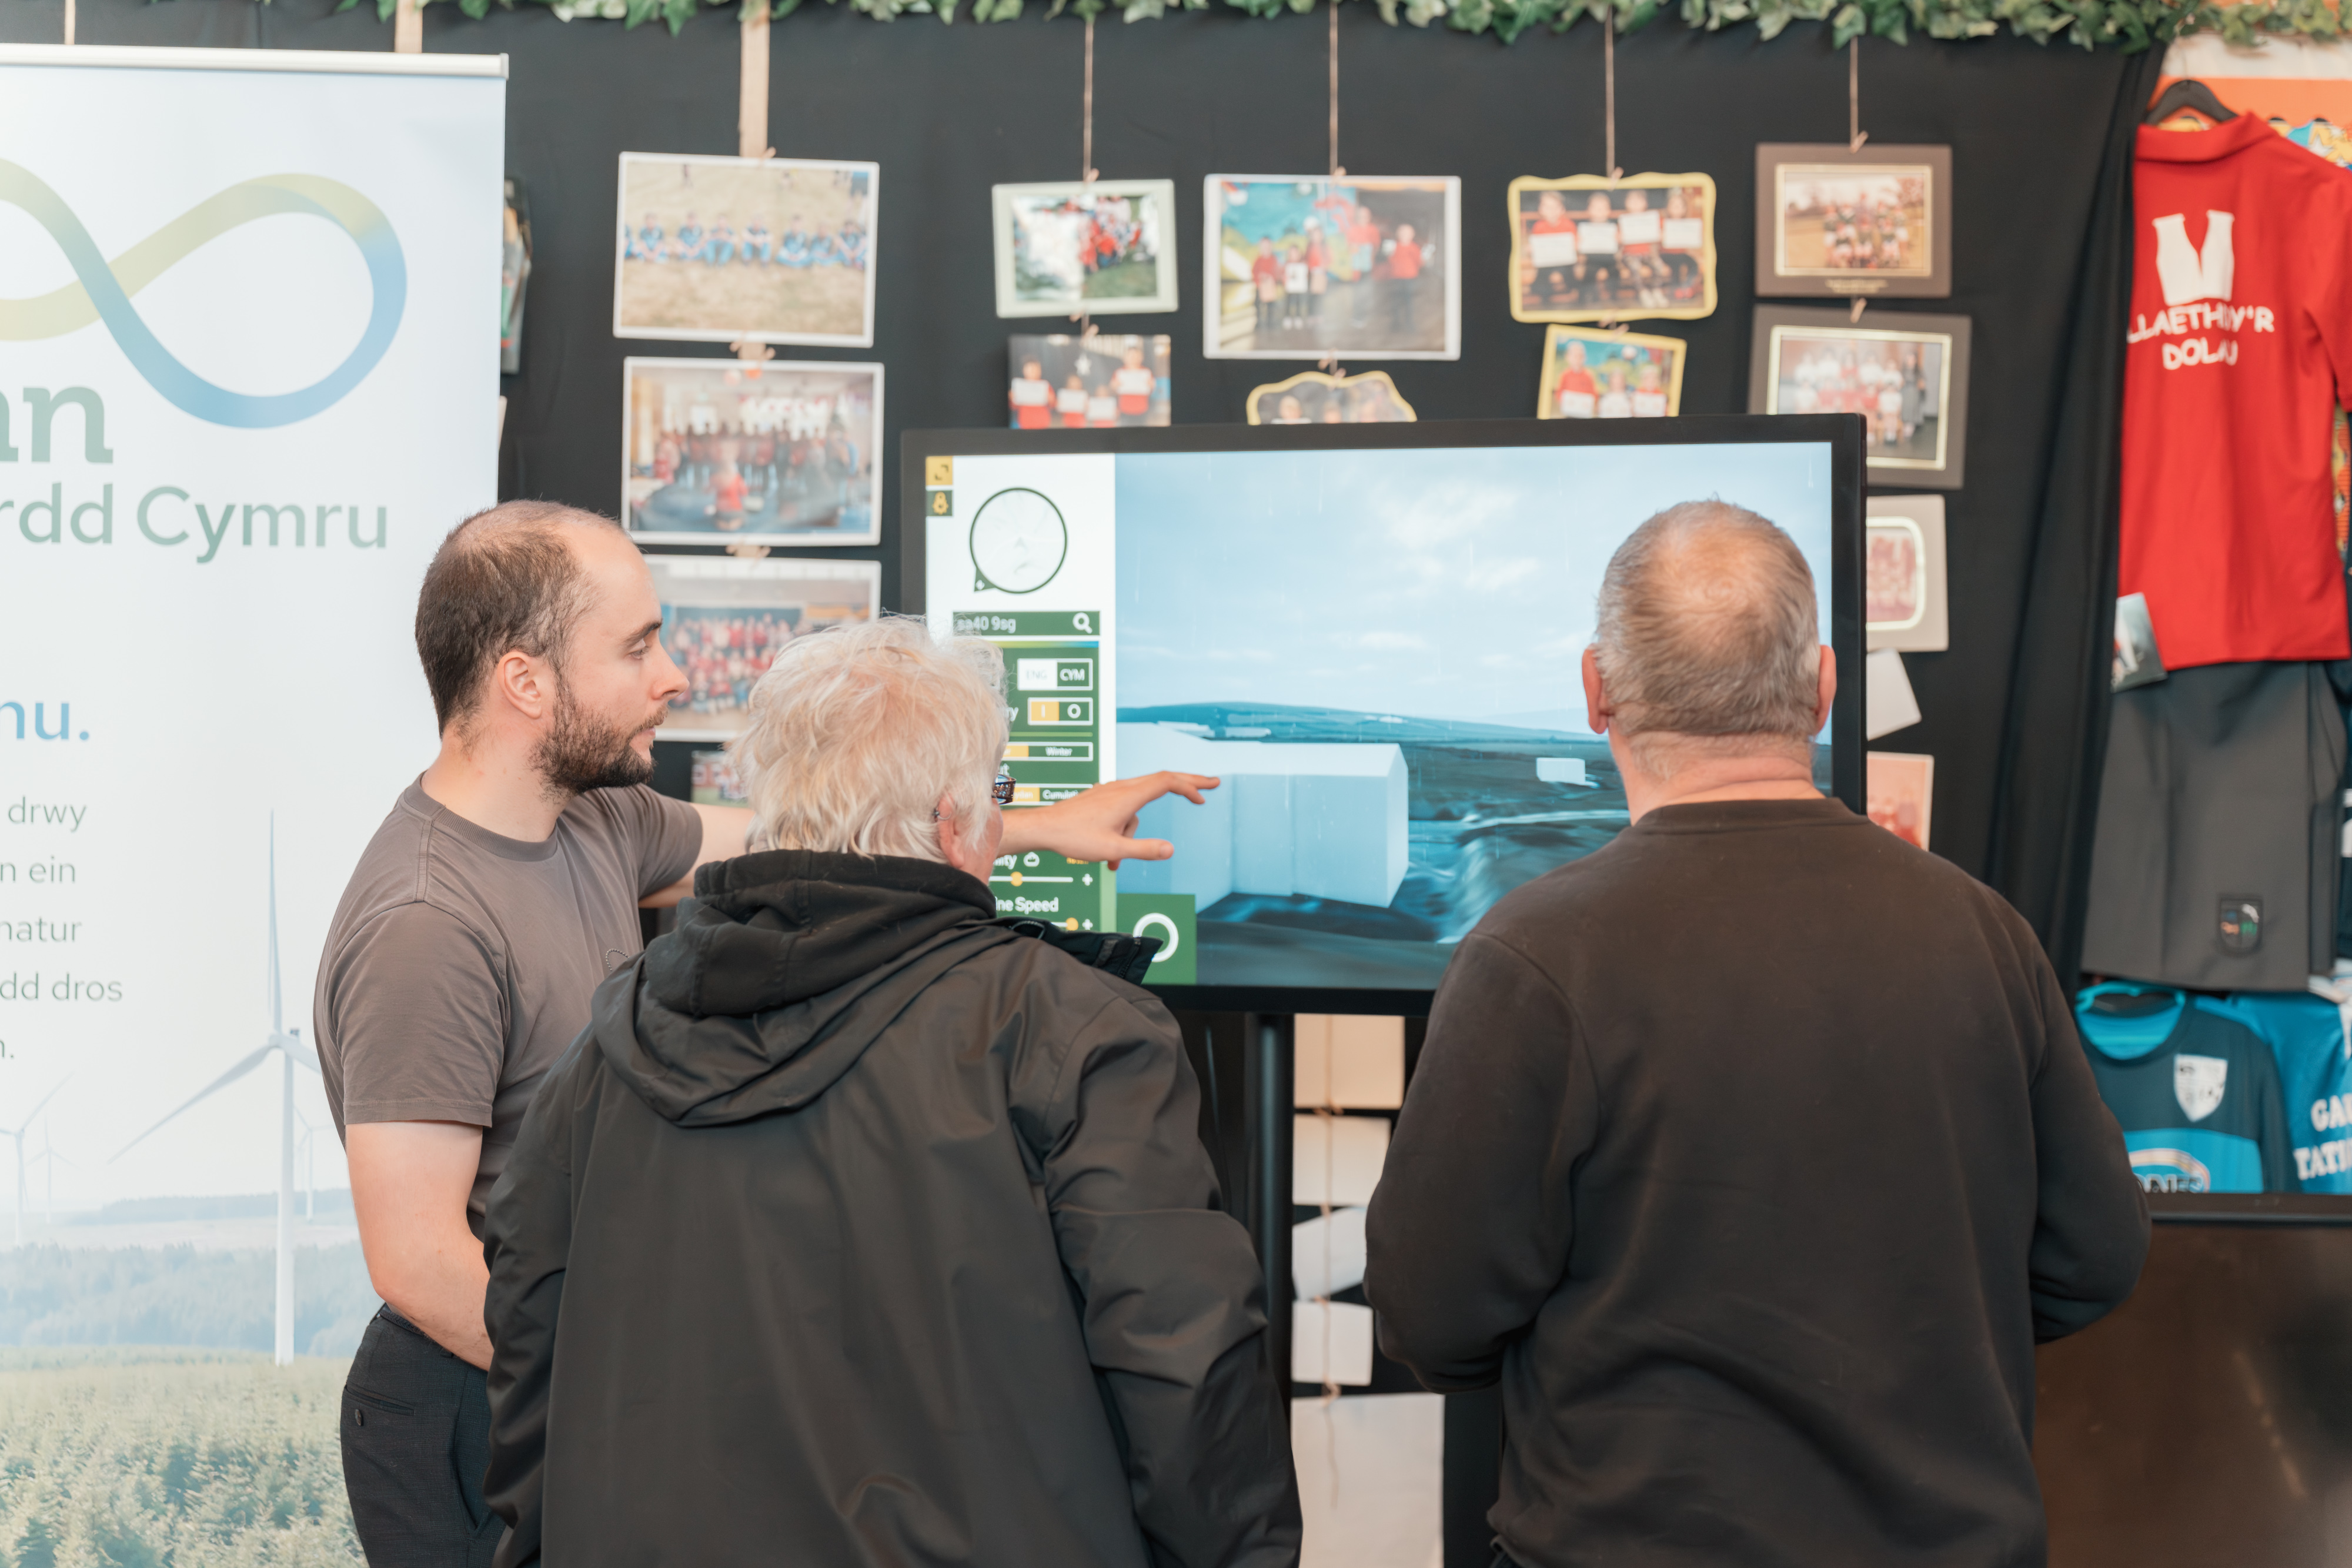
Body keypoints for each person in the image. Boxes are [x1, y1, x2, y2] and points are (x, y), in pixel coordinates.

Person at [318, 500, 1220, 1568]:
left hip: (571, 1365)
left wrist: (1014, 819)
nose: (673, 678)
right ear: (525, 681)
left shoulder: (594, 821)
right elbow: (419, 1262)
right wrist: (634, 1398)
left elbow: (802, 834)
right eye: (638, 646)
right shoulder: (427, 924)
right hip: (472, 1406)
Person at [1364, 500, 2149, 1568]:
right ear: (1825, 683)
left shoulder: (1535, 956)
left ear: (1596, 690)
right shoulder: (1984, 932)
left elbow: (1431, 1316)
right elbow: (2094, 1257)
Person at [480, 617, 1298, 1567]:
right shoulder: (1071, 1034)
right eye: (999, 795)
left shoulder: (600, 1054)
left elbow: (527, 1386)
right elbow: (1184, 1373)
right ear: (955, 822)